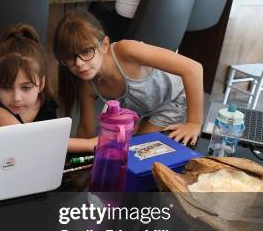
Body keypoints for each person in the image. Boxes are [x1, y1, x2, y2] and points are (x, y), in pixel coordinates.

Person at [53, 11, 203, 146]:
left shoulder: (126, 51)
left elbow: (193, 68)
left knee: (137, 150)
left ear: (105, 45)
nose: (79, 63)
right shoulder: (87, 84)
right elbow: (86, 131)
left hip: (174, 101)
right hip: (143, 112)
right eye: (69, 57)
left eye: (86, 51)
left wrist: (193, 123)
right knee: (122, 149)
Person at [0, 24, 98, 153]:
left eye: (26, 88)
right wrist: (89, 144)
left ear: (41, 83)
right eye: (6, 87)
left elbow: (45, 147)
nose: (16, 98)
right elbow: (29, 140)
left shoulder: (47, 105)